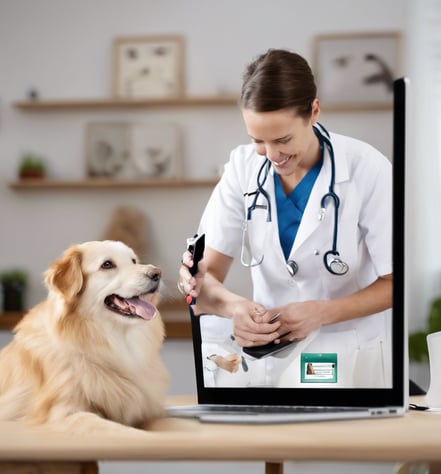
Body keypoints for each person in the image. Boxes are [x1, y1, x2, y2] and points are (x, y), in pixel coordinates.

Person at [178, 49, 392, 388]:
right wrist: (236, 309)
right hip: (270, 358)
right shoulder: (243, 168)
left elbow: (395, 284)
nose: (272, 155)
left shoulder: (367, 168)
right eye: (258, 141)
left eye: (283, 139)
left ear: (314, 112)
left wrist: (321, 312)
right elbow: (206, 280)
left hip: (347, 352)